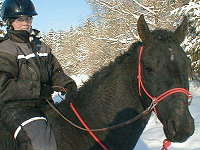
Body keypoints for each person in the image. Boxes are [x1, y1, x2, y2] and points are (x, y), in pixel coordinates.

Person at [0, 0, 77, 150]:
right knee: (42, 144)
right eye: (20, 19)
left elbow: (55, 71)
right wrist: (38, 90)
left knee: (72, 132)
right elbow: (3, 86)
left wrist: (67, 84)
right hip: (15, 108)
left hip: (44, 104)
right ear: (10, 22)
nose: (26, 23)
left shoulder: (40, 46)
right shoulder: (5, 48)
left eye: (28, 18)